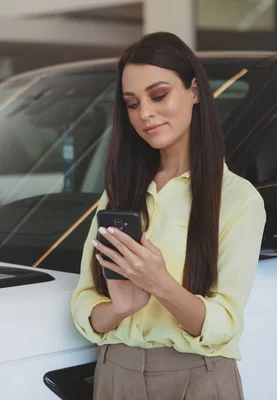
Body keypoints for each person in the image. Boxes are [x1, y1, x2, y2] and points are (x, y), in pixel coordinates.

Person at [70, 32, 266, 400]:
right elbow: (84, 303)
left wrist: (160, 284)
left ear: (194, 91)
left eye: (158, 95)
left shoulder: (239, 199)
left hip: (198, 378)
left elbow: (224, 324)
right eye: (131, 103)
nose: (144, 113)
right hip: (115, 376)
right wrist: (119, 309)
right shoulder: (118, 193)